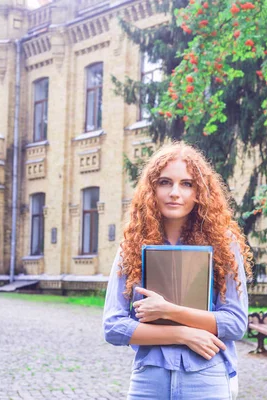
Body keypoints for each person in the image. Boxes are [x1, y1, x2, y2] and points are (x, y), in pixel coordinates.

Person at [103, 142, 253, 400]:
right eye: (164, 182)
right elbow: (113, 327)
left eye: (186, 184)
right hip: (149, 380)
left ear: (199, 192)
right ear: (151, 189)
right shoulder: (131, 245)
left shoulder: (223, 243)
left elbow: (236, 323)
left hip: (206, 377)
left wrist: (168, 311)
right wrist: (182, 334)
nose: (175, 192)